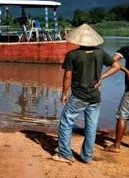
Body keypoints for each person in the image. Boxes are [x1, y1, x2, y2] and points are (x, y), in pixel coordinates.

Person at [51, 23, 121, 164]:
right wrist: (101, 77)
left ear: (78, 40)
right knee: (91, 127)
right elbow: (117, 66)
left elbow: (67, 77)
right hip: (95, 97)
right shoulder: (100, 53)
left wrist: (64, 93)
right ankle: (86, 156)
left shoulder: (72, 55)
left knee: (66, 122)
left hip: (78, 96)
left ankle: (65, 154)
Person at [101, 46, 129, 153]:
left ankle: (116, 145)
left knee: (122, 115)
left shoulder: (126, 49)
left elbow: (112, 60)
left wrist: (126, 70)